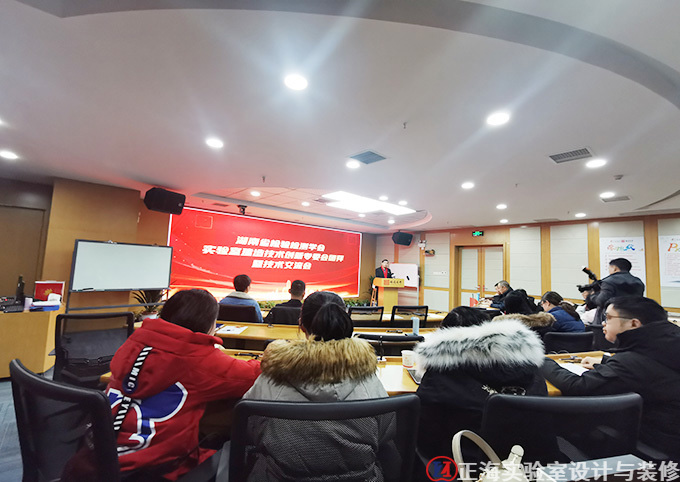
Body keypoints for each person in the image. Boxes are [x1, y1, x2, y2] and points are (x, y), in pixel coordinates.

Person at [106, 289, 261, 480]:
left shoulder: (135, 341)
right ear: (209, 324)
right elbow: (254, 375)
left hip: (100, 458)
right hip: (158, 469)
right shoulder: (199, 358)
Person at [242, 291, 392, 480]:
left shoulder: (272, 377)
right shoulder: (368, 377)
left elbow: (250, 427)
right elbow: (385, 432)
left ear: (301, 325)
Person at [542, 296, 680, 460]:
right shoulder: (667, 344)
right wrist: (605, 361)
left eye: (608, 318)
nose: (603, 323)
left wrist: (542, 360)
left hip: (655, 444)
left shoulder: (630, 363)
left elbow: (577, 386)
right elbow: (651, 368)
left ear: (633, 324)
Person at [414, 306, 547, 461]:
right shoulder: (530, 367)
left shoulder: (440, 375)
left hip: (466, 463)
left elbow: (422, 429)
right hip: (534, 462)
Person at [591, 258, 645, 322]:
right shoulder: (638, 281)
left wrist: (591, 296)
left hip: (611, 318)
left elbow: (600, 301)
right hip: (633, 316)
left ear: (615, 268)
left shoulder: (608, 281)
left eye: (609, 268)